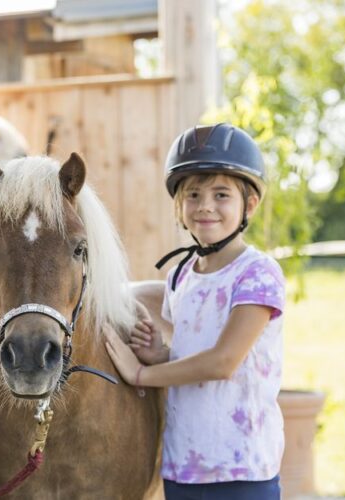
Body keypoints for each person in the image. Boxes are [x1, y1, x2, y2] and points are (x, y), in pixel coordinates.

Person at [105, 123, 286, 500]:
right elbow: (194, 360)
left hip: (241, 467)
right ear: (178, 206)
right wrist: (161, 355)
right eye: (193, 194)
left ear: (249, 205)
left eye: (221, 194)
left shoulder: (257, 273)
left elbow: (222, 363)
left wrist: (141, 373)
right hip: (183, 465)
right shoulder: (179, 277)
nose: (205, 205)